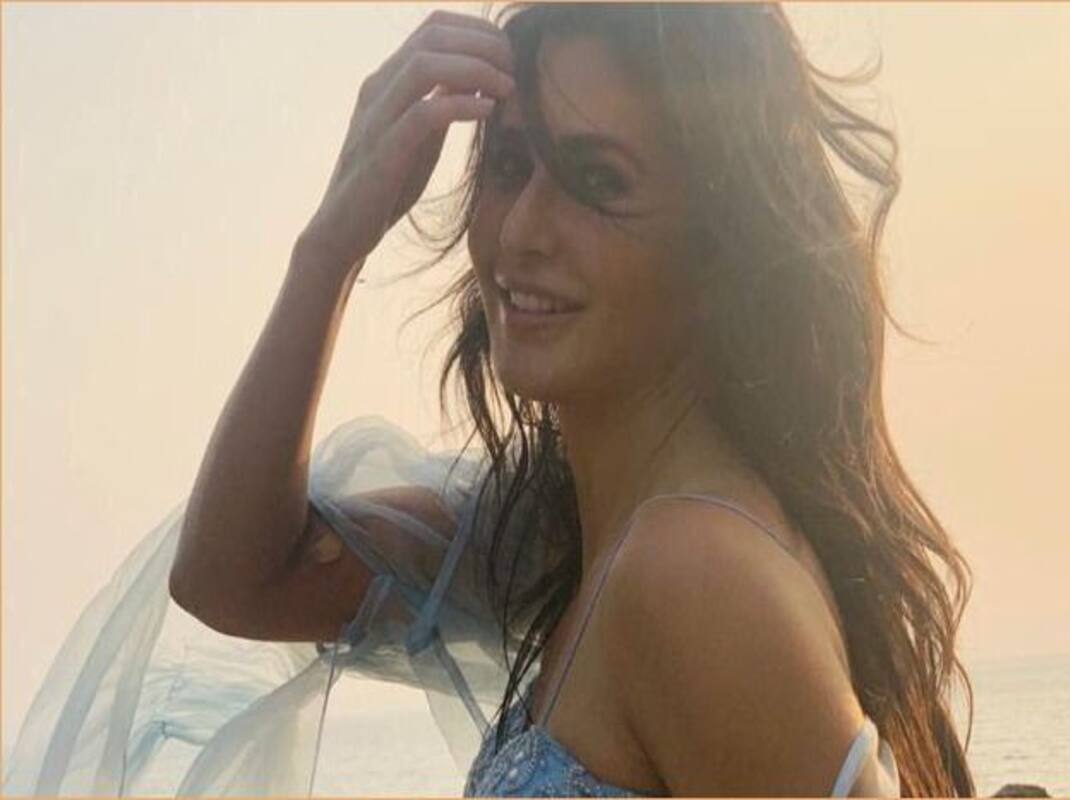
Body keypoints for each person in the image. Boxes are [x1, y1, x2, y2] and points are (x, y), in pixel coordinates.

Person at [4, 3, 976, 797]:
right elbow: (232, 577)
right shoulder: (563, 537)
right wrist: (331, 244)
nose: (521, 230)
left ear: (718, 239)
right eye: (509, 165)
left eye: (598, 180)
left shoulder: (692, 569)